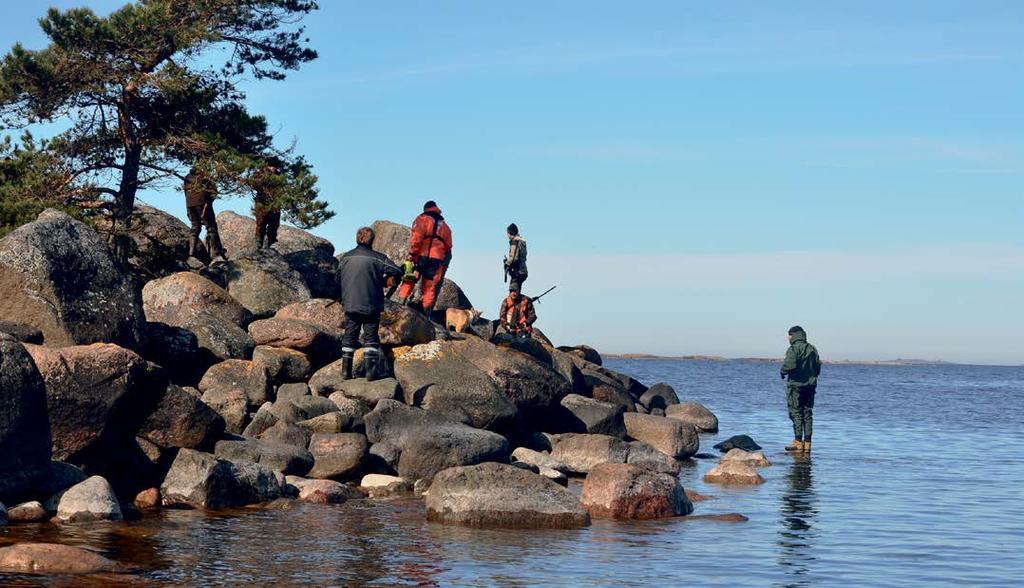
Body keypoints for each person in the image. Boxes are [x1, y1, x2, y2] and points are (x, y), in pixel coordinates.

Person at [337, 227, 403, 380]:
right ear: (372, 240)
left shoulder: (346, 257)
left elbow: (337, 280)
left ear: (357, 238)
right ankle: (371, 373)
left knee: (349, 335)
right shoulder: (378, 258)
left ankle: (345, 372)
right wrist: (383, 281)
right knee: (371, 336)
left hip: (350, 303)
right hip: (371, 304)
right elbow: (397, 272)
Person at [398, 200, 453, 316]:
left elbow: (416, 239)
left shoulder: (421, 219)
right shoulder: (445, 226)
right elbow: (448, 246)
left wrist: (412, 254)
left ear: (425, 209)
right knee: (429, 289)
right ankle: (426, 316)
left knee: (409, 281)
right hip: (436, 260)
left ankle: (399, 308)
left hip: (420, 257)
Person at [781, 325, 822, 453]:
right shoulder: (812, 349)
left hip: (796, 386)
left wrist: (783, 371)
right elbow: (817, 367)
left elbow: (790, 365)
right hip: (810, 385)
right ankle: (808, 443)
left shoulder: (793, 349)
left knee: (796, 412)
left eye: (789, 335)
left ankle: (798, 441)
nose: (788, 338)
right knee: (808, 413)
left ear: (793, 335)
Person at [184, 165, 227, 262]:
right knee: (211, 227)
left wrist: (188, 208)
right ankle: (217, 252)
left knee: (195, 226)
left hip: (190, 204)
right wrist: (209, 203)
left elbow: (185, 192)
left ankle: (191, 253)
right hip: (203, 204)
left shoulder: (187, 177)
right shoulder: (206, 176)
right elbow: (214, 192)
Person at [253, 161, 282, 250]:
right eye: (271, 165)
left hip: (275, 203)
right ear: (267, 166)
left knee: (274, 225)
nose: (273, 168)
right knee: (261, 224)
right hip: (262, 202)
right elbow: (254, 185)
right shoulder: (260, 173)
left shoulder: (280, 176)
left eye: (275, 166)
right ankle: (258, 244)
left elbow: (284, 189)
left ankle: (271, 243)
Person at [504, 223, 528, 290]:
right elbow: (523, 256)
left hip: (518, 271)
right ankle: (521, 300)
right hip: (523, 271)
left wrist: (507, 263)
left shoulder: (515, 242)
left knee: (513, 290)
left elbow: (514, 258)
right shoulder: (521, 241)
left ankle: (522, 300)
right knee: (517, 290)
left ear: (510, 233)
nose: (507, 235)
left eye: (507, 233)